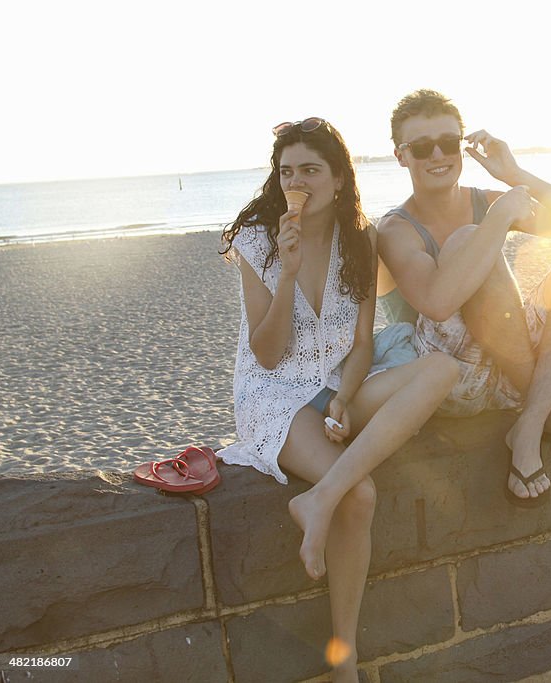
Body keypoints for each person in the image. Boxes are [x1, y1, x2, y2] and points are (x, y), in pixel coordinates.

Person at [218, 117, 457, 681]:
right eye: (286, 171)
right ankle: (343, 657)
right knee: (362, 495)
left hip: (335, 384)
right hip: (275, 395)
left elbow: (360, 343)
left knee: (441, 368)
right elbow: (270, 354)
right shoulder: (260, 239)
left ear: (339, 178)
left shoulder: (360, 239)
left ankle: (318, 497)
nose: (296, 181)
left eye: (310, 170)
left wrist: (345, 401)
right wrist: (288, 273)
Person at [376, 90, 551, 506]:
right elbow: (436, 303)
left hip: (509, 363)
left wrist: (515, 174)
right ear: (401, 156)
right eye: (421, 147)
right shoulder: (396, 229)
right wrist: (500, 218)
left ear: (462, 146)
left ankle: (528, 423)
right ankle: (548, 407)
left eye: (449, 143)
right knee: (469, 240)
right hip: (450, 381)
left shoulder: (484, 200)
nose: (438, 154)